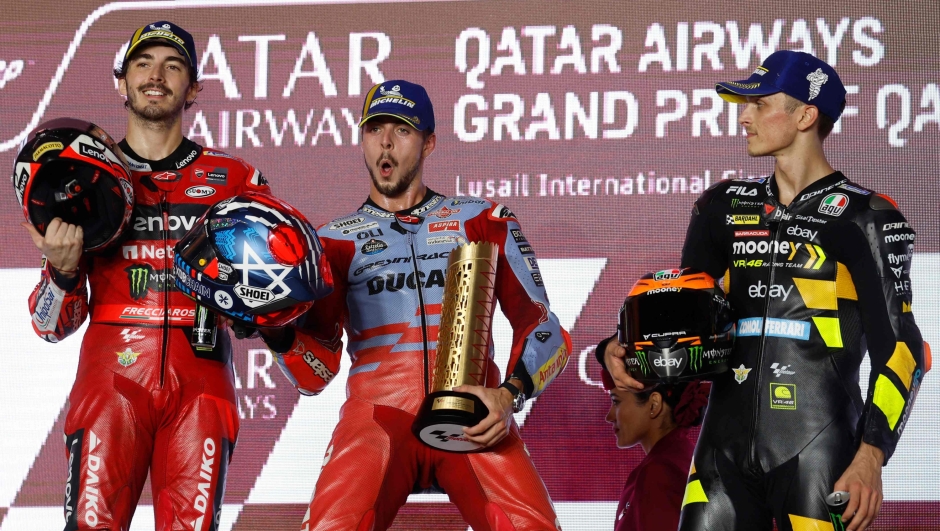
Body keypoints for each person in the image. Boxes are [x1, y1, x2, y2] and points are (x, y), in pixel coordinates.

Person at [600, 50, 928, 531]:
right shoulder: (720, 208)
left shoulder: (866, 217)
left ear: (805, 115)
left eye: (759, 103)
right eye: (743, 103)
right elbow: (683, 320)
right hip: (721, 453)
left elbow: (903, 350)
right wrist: (617, 347)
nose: (744, 116)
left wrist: (871, 457)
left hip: (819, 451)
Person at [260, 79, 572, 531]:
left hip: (473, 415)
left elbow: (545, 326)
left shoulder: (481, 218)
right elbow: (316, 373)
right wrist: (277, 331)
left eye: (401, 130)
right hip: (378, 419)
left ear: (429, 143)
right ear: (362, 138)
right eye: (375, 129)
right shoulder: (330, 241)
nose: (385, 142)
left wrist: (509, 396)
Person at [24, 21, 270, 530]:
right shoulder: (80, 175)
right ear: (122, 81)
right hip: (110, 379)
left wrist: (254, 310)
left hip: (202, 380)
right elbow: (49, 325)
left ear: (194, 88)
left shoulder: (237, 179)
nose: (156, 75)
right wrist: (63, 271)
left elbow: (272, 297)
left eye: (173, 66)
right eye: (143, 63)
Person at [602, 365, 710, 531]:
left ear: (654, 404)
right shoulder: (681, 457)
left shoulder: (659, 473)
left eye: (616, 401)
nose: (609, 416)